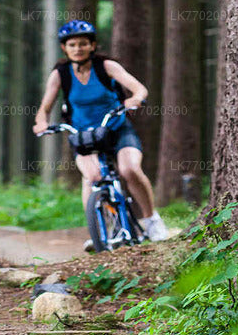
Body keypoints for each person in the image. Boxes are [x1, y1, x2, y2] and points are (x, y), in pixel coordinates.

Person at [31, 19, 170, 246]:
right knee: (93, 178)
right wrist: (41, 122)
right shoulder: (61, 74)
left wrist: (135, 98)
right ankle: (99, 231)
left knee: (130, 169)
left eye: (83, 44)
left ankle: (152, 220)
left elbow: (139, 88)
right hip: (84, 136)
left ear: (93, 45)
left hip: (116, 129)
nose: (78, 48)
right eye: (73, 44)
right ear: (64, 48)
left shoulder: (106, 66)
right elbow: (44, 107)